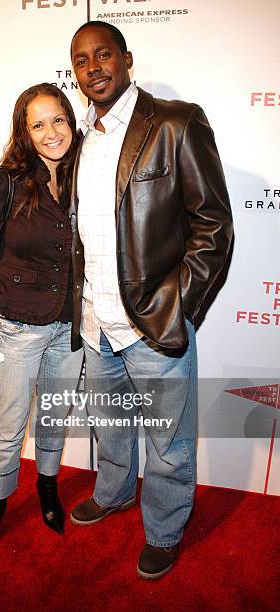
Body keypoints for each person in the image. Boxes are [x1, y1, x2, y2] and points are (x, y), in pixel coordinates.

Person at [69, 22, 233, 579]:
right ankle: (113, 492)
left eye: (104, 55)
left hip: (152, 325)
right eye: (82, 60)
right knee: (111, 426)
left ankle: (164, 529)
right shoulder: (80, 138)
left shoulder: (174, 122)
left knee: (168, 443)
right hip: (96, 326)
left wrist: (178, 304)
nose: (93, 68)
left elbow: (214, 224)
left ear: (127, 58)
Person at [0, 83, 83, 559]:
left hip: (70, 327)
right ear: (24, 133)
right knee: (9, 425)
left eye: (59, 120)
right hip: (16, 328)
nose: (51, 133)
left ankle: (47, 488)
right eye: (38, 124)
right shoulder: (2, 182)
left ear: (72, 122)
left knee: (53, 415)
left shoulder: (84, 178)